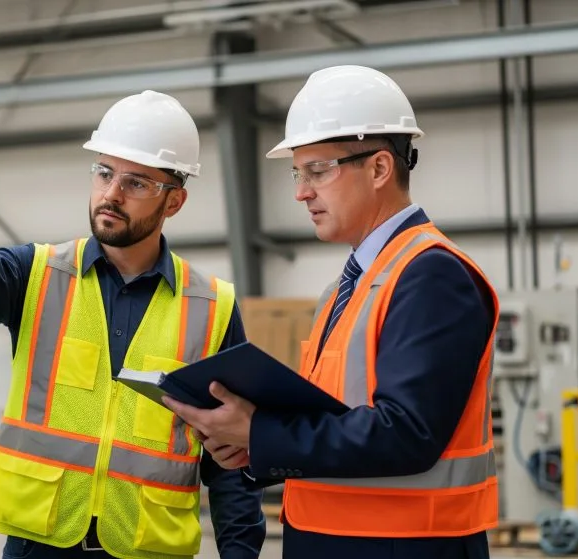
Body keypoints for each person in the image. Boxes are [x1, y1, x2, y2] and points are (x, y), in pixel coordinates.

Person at [0, 90, 266, 559]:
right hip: (40, 546)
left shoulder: (212, 305)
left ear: (174, 202)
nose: (111, 194)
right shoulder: (38, 273)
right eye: (105, 173)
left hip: (146, 550)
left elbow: (230, 459)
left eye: (137, 183)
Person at [162, 65, 499, 559]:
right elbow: (335, 417)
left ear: (380, 168)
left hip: (404, 546)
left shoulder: (430, 275)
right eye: (298, 173)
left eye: (318, 171)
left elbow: (406, 432)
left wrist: (261, 431)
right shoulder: (352, 284)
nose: (301, 192)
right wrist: (254, 446)